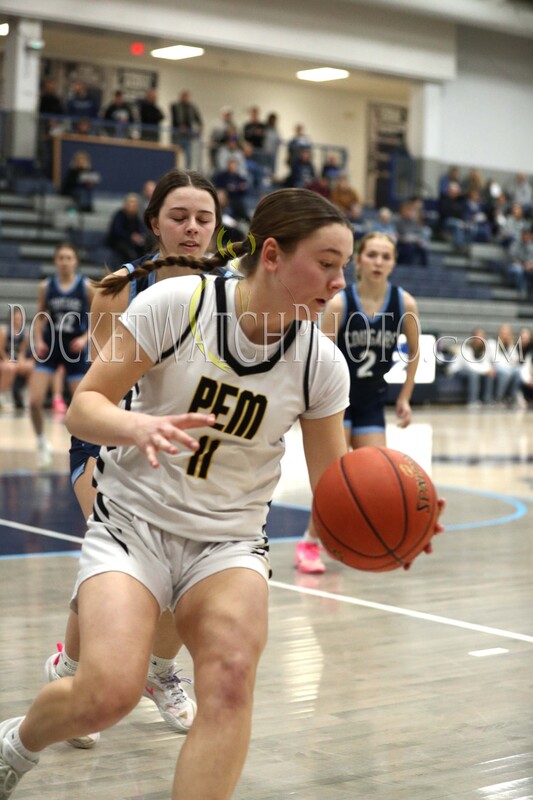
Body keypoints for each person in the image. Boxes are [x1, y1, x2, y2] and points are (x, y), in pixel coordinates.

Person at [0, 188, 404, 800]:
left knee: (232, 679)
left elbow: (333, 489)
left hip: (229, 542)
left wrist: (387, 527)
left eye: (343, 266)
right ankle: (18, 745)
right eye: (326, 262)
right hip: (133, 524)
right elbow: (84, 408)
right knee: (107, 694)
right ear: (271, 254)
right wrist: (138, 425)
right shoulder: (177, 304)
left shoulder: (321, 363)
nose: (338, 280)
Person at [47, 169, 223, 752]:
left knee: (181, 572)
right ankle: (75, 670)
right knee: (115, 556)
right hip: (112, 439)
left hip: (186, 448)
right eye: (179, 217)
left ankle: (157, 667)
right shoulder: (118, 290)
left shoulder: (230, 292)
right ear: (154, 224)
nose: (192, 228)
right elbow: (102, 390)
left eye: (204, 218)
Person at [295, 232, 421, 574]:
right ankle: (309, 542)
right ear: (360, 261)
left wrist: (405, 398)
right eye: (372, 255)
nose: (379, 262)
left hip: (371, 402)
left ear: (393, 262)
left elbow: (415, 353)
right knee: (333, 481)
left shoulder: (404, 303)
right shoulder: (340, 303)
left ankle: (371, 539)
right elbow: (317, 357)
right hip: (337, 403)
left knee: (378, 479)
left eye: (386, 256)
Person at [28, 243, 94, 470]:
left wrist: (86, 337)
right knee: (34, 400)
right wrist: (38, 339)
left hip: (74, 347)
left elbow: (100, 317)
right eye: (61, 258)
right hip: (51, 345)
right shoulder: (46, 286)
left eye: (69, 257)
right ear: (56, 261)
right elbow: (40, 315)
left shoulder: (86, 286)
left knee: (82, 404)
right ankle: (41, 443)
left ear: (75, 261)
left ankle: (85, 446)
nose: (65, 261)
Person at [447, 327, 496, 408]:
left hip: (473, 370)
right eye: (477, 337)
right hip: (458, 370)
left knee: (489, 374)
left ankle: (487, 400)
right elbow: (470, 366)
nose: (479, 339)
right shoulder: (466, 348)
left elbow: (486, 363)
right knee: (474, 374)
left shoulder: (485, 349)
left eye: (482, 337)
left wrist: (488, 370)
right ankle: (472, 401)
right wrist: (486, 370)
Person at [0, 307, 34, 410]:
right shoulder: (4, 331)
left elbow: (22, 352)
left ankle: (28, 396)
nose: (18, 319)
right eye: (16, 317)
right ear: (11, 318)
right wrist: (6, 359)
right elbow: (0, 349)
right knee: (10, 368)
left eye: (20, 317)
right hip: (3, 359)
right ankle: (2, 395)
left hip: (14, 360)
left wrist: (22, 361)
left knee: (31, 367)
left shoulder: (25, 333)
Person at [106, 193, 147, 266]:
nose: (132, 207)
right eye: (130, 204)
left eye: (134, 205)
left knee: (144, 247)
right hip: (118, 242)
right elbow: (117, 231)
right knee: (129, 253)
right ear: (125, 205)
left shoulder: (136, 217)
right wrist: (131, 236)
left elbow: (141, 229)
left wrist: (139, 236)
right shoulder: (119, 215)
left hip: (132, 243)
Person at [170, 90, 203, 169]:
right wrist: (180, 126)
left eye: (187, 96)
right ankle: (174, 169)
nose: (185, 98)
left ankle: (188, 171)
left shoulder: (192, 107)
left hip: (188, 135)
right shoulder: (175, 106)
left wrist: (200, 127)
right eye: (184, 96)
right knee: (175, 154)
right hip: (177, 134)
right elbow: (174, 119)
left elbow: (198, 119)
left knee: (189, 155)